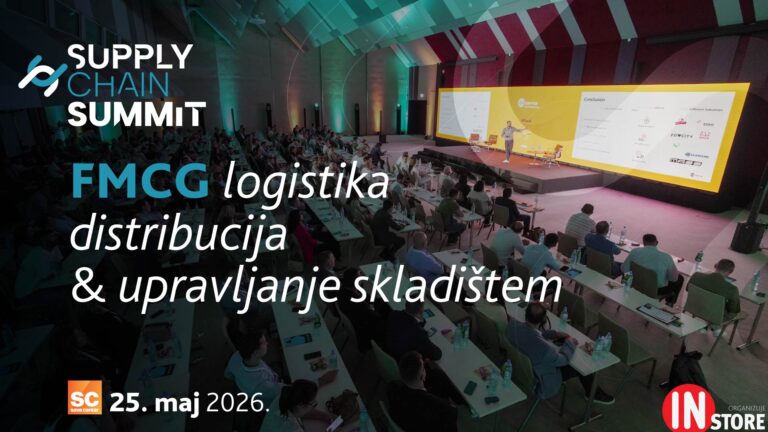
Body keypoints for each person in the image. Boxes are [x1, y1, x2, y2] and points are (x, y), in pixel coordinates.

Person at [506, 303, 615, 404]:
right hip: (541, 380)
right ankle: (593, 394)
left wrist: (554, 334)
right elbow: (564, 360)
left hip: (520, 369)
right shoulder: (545, 350)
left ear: (526, 314)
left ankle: (593, 391)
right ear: (544, 319)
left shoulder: (512, 325)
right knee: (583, 365)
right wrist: (570, 342)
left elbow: (533, 333)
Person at [387, 351, 458, 432]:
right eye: (424, 368)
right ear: (423, 376)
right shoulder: (445, 411)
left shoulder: (392, 392)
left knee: (437, 375)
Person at [225, 328, 283, 407]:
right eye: (264, 343)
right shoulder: (261, 383)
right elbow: (284, 392)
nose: (267, 343)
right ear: (255, 352)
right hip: (272, 402)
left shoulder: (236, 356)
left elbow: (228, 375)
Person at [621, 234, 683, 306]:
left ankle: (625, 294)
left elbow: (624, 269)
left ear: (643, 242)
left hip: (635, 285)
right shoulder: (666, 257)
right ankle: (669, 303)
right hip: (656, 290)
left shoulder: (634, 251)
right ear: (656, 243)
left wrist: (626, 284)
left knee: (626, 272)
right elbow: (673, 279)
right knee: (680, 278)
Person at [339, 268, 388, 350]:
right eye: (360, 276)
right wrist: (373, 308)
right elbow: (376, 317)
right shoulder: (358, 303)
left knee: (384, 304)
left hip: (365, 314)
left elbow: (368, 298)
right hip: (367, 328)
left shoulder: (345, 289)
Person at [260, 380, 335, 432]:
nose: (313, 407)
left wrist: (325, 416)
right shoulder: (292, 428)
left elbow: (302, 412)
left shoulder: (284, 397)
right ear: (300, 405)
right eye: (313, 404)